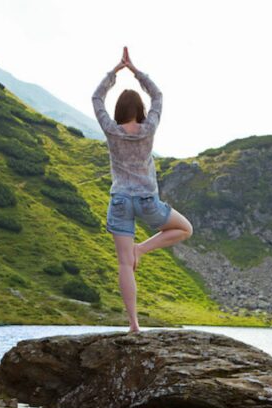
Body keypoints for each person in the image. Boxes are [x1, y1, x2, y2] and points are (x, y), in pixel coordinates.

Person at [91, 46, 193, 333]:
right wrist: (136, 72)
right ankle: (143, 249)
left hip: (120, 200)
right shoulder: (149, 128)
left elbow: (96, 98)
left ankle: (134, 324)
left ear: (119, 111)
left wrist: (114, 73)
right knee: (184, 229)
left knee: (124, 265)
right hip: (148, 200)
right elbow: (158, 96)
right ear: (140, 110)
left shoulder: (111, 129)